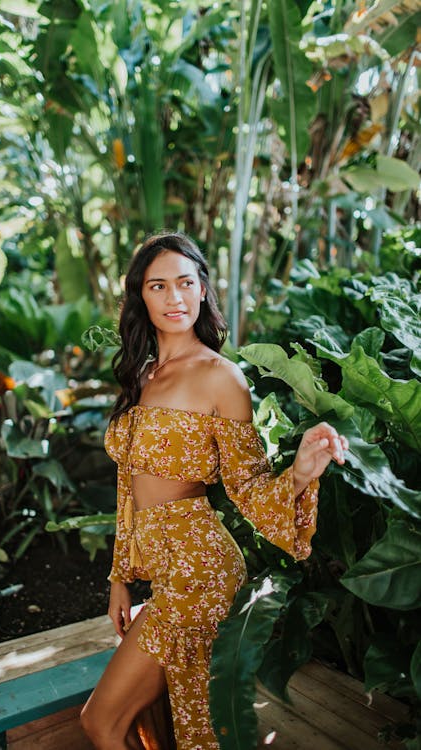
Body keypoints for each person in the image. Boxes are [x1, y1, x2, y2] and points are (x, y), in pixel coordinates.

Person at [80, 232, 348, 750]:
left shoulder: (222, 377)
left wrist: (299, 472)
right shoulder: (142, 373)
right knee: (150, 725)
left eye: (185, 282)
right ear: (142, 297)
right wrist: (120, 579)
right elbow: (127, 486)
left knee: (102, 722)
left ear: (203, 289)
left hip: (199, 571)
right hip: (162, 571)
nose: (174, 297)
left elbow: (246, 484)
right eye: (158, 286)